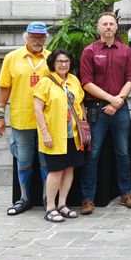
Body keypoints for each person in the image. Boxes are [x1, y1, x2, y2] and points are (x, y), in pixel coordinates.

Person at [79, 12, 131, 214]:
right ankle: (87, 198)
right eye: (104, 23)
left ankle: (126, 193)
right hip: (97, 110)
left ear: (116, 27)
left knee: (123, 153)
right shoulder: (89, 51)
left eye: (112, 23)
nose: (108, 27)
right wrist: (110, 99)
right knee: (92, 154)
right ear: (98, 27)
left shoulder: (125, 51)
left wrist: (118, 100)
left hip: (120, 109)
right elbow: (86, 83)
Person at [0, 21, 51, 216]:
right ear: (26, 36)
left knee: (47, 162)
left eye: (41, 36)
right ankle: (25, 198)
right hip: (21, 118)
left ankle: (47, 199)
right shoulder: (12, 58)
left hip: (47, 120)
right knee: (24, 161)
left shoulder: (51, 58)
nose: (37, 40)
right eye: (34, 36)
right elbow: (4, 89)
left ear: (46, 37)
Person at [33, 49, 86, 222]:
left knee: (69, 168)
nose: (63, 64)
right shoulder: (45, 83)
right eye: (60, 61)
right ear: (53, 64)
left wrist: (84, 123)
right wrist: (44, 132)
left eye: (66, 61)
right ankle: (50, 207)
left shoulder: (73, 80)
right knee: (56, 171)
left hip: (73, 134)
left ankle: (63, 204)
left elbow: (80, 103)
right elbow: (38, 109)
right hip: (54, 134)